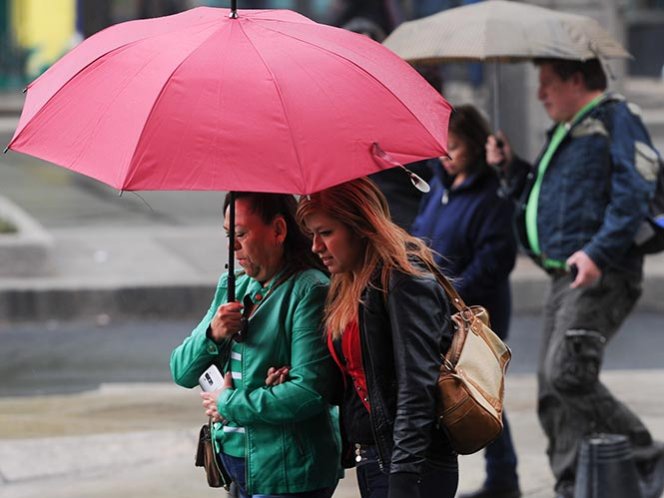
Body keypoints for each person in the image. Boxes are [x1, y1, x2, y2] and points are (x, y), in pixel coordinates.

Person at [486, 58, 664, 498]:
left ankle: (649, 456)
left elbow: (635, 190)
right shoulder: (567, 129)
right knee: (550, 385)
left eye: (548, 84)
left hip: (600, 273)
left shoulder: (615, 118)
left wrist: (599, 253)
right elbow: (551, 196)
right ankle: (571, 480)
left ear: (577, 80)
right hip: (564, 275)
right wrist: (511, 169)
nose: (540, 94)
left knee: (568, 373)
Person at [295, 177, 459, 498]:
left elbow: (417, 386)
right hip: (375, 458)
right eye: (312, 235)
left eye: (326, 233)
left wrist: (404, 474)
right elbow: (358, 380)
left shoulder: (401, 279)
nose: (316, 247)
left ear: (361, 226)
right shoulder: (350, 282)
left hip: (413, 466)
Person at [170, 192, 341, 498]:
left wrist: (227, 403)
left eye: (240, 234)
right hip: (237, 464)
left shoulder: (309, 290)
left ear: (278, 230)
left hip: (286, 469)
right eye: (228, 235)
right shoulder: (232, 286)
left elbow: (308, 391)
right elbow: (181, 371)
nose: (232, 246)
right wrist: (214, 334)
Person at [411, 104, 521, 498]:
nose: (445, 156)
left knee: (480, 387)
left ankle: (503, 475)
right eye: (442, 148)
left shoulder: (493, 195)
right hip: (435, 305)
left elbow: (494, 261)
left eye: (453, 148)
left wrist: (452, 295)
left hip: (476, 311)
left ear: (474, 146)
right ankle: (499, 473)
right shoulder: (438, 186)